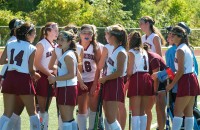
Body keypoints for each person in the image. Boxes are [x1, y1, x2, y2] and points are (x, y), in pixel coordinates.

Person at [0, 22, 41, 130]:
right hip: (23, 79)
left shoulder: (10, 43)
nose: (35, 36)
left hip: (10, 78)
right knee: (32, 113)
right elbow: (31, 69)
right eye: (34, 33)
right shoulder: (32, 48)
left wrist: (14, 62)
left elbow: (2, 61)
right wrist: (36, 75)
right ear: (27, 35)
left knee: (6, 114)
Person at [165, 26, 200, 130]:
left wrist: (171, 85)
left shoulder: (180, 50)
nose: (170, 36)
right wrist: (171, 74)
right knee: (188, 111)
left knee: (177, 111)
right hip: (190, 79)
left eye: (173, 35)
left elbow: (181, 71)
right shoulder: (185, 47)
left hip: (186, 80)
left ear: (179, 37)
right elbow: (181, 69)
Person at [48, 31, 81, 130]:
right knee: (69, 119)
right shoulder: (66, 53)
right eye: (58, 39)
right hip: (66, 87)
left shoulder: (68, 55)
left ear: (69, 41)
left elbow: (72, 74)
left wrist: (55, 78)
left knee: (66, 119)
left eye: (62, 40)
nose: (59, 41)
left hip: (67, 87)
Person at [139, 16, 166, 130]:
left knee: (159, 107)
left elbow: (159, 57)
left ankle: (161, 127)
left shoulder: (154, 37)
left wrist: (158, 75)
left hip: (156, 72)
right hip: (147, 74)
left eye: (141, 23)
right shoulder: (142, 37)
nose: (140, 25)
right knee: (146, 107)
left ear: (148, 23)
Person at [99, 24, 128, 130]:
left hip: (114, 83)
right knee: (108, 117)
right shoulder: (115, 50)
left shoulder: (121, 52)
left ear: (114, 37)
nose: (106, 37)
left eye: (109, 35)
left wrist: (105, 78)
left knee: (111, 118)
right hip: (109, 82)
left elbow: (120, 72)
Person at [0, 18, 25, 130]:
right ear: (15, 29)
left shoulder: (17, 40)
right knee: (11, 109)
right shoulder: (13, 41)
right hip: (10, 74)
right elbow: (3, 60)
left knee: (16, 109)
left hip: (12, 74)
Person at [127, 31, 154, 130]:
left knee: (135, 111)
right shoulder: (144, 51)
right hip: (147, 78)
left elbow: (130, 71)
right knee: (142, 111)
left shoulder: (131, 52)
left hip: (137, 78)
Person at [76, 24, 102, 130]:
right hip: (80, 80)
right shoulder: (75, 46)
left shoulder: (96, 47)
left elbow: (99, 68)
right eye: (84, 32)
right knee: (81, 109)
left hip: (92, 79)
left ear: (93, 34)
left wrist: (95, 84)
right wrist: (80, 81)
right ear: (80, 34)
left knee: (93, 108)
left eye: (89, 33)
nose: (87, 35)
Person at [34, 22, 59, 130]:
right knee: (42, 108)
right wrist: (50, 74)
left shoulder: (55, 44)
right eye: (55, 30)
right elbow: (37, 63)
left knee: (46, 108)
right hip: (43, 77)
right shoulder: (41, 44)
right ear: (48, 31)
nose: (57, 32)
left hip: (51, 77)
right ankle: (39, 127)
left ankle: (44, 127)